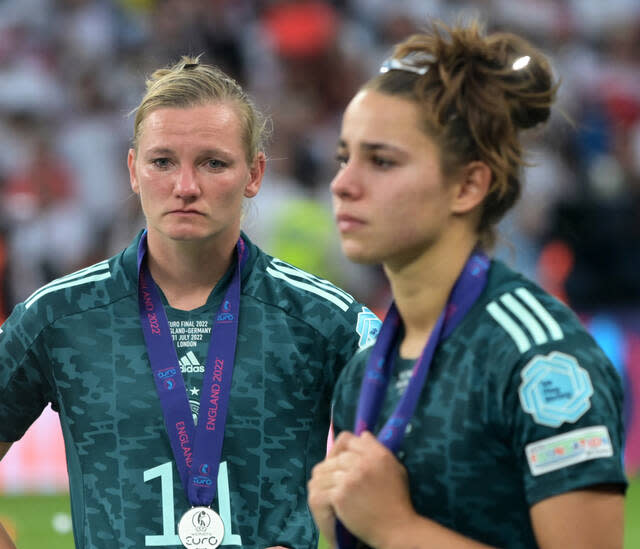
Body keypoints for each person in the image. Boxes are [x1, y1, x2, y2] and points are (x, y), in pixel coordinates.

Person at [0, 56, 381, 549]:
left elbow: (429, 468)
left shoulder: (324, 319)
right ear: (134, 170)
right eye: (163, 162)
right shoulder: (58, 315)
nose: (186, 187)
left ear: (254, 174)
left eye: (213, 162)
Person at [307, 20, 627, 549]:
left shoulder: (540, 358)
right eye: (345, 157)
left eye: (381, 161)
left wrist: (394, 529)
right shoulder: (363, 374)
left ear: (467, 184)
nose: (343, 184)